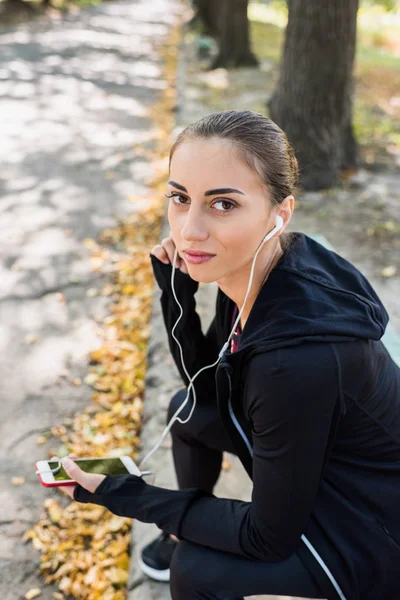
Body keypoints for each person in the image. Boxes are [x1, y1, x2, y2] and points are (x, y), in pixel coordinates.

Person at [59, 110, 400, 600]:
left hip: (368, 525)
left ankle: (183, 535)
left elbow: (268, 536)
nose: (189, 230)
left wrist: (127, 495)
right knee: (187, 412)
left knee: (198, 571)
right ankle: (179, 529)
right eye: (180, 198)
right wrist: (176, 295)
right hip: (312, 466)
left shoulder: (295, 362)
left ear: (279, 213)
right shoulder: (256, 268)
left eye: (222, 204)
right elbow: (206, 389)